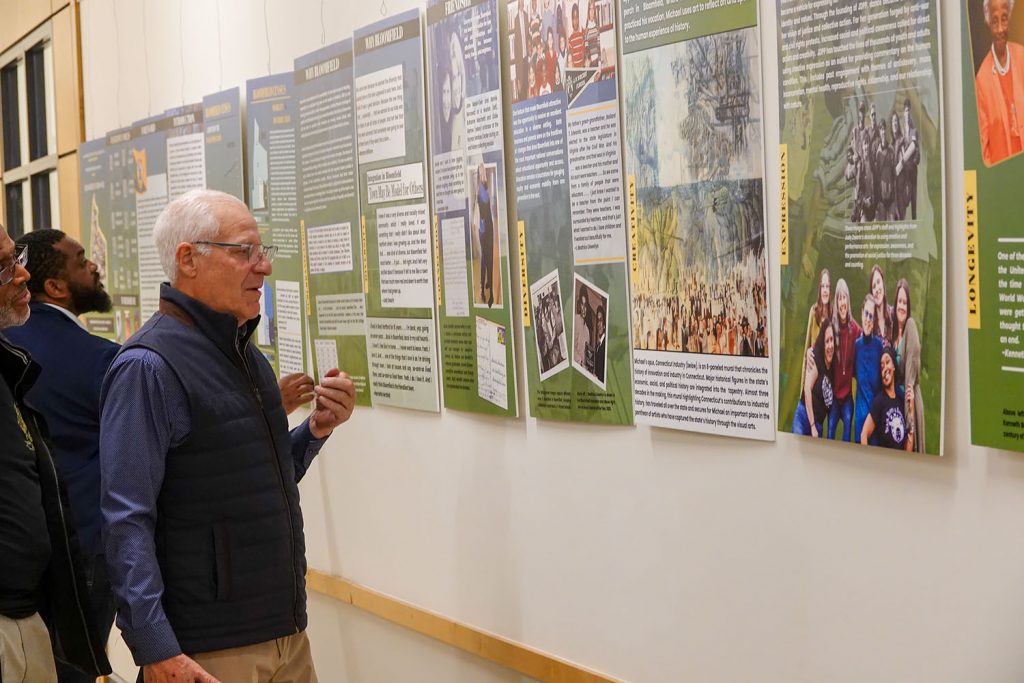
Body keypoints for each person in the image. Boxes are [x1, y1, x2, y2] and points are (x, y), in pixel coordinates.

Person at [100, 190, 356, 682]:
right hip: (207, 650)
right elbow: (125, 519)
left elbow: (257, 476)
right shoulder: (147, 368)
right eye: (246, 251)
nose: (263, 268)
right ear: (188, 259)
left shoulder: (242, 353)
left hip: (283, 632)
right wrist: (155, 648)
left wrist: (316, 430)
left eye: (263, 252)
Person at [2, 229, 119, 683]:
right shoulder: (101, 360)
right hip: (78, 554)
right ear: (57, 287)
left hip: (34, 575)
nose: (93, 266)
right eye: (80, 259)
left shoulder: (13, 351)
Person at [976, 0, 1024, 165]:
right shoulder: (982, 80)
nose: (1000, 29)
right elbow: (983, 150)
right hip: (1003, 177)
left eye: (1004, 19)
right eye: (995, 21)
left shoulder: (1022, 57)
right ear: (988, 22)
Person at [861, 347, 914, 451]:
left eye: (887, 362)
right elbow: (864, 434)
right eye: (882, 366)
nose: (885, 368)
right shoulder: (879, 401)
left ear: (894, 366)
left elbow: (908, 450)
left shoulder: (901, 401)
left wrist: (911, 411)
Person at [828, 278, 860, 442]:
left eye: (844, 298)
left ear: (848, 300)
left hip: (847, 396)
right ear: (836, 302)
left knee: (848, 426)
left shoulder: (855, 329)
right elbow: (819, 345)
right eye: (839, 298)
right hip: (833, 396)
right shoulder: (831, 328)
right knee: (830, 430)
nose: (842, 302)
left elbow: (866, 341)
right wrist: (811, 352)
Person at [793, 323, 836, 438]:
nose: (830, 345)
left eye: (832, 340)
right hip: (804, 417)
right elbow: (807, 388)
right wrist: (812, 426)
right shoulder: (816, 358)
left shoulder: (834, 367)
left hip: (818, 424)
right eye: (827, 341)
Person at [853, 294, 884, 447]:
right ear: (861, 313)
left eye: (871, 316)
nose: (868, 319)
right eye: (866, 314)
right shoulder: (856, 346)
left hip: (875, 422)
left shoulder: (879, 347)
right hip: (859, 422)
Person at [800, 268, 831, 398]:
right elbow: (806, 352)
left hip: (827, 379)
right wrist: (802, 391)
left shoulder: (833, 316)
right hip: (812, 375)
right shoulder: (813, 312)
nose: (824, 290)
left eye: (827, 286)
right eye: (822, 286)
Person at [896, 98, 920, 219]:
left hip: (912, 173)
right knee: (903, 202)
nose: (907, 113)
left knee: (914, 204)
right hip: (903, 173)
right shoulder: (900, 132)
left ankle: (914, 220)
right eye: (906, 111)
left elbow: (918, 156)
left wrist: (912, 162)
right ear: (903, 112)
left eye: (909, 111)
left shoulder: (914, 132)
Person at [476, 163, 495, 306]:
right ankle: (484, 291)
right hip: (484, 230)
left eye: (484, 172)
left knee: (488, 259)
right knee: (485, 260)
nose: (484, 174)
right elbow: (483, 212)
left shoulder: (484, 188)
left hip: (488, 228)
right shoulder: (481, 190)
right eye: (481, 172)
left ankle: (487, 285)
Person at [448, 31, 466, 151]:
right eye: (453, 78)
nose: (456, 85)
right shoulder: (450, 120)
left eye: (458, 75)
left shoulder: (466, 111)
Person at [868, 264, 893, 344]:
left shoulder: (893, 314)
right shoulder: (870, 323)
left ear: (883, 283)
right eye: (874, 286)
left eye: (878, 282)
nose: (877, 289)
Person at [512, 0, 531, 101]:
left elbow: (528, 36)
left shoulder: (526, 16)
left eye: (523, 2)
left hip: (527, 54)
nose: (522, 4)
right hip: (520, 56)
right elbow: (516, 44)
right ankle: (522, 101)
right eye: (520, 2)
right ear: (518, 4)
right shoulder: (515, 20)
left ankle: (527, 100)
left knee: (527, 81)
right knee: (521, 81)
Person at [573, 285, 591, 366]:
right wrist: (580, 361)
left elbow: (586, 354)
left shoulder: (587, 329)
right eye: (582, 304)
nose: (584, 308)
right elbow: (572, 346)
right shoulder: (576, 319)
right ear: (579, 306)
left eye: (585, 305)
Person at [568, 2, 586, 68]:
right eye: (573, 18)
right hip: (575, 71)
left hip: (582, 68)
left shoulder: (581, 36)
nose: (575, 21)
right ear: (571, 20)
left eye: (577, 18)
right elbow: (571, 57)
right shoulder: (570, 39)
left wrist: (582, 66)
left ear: (579, 19)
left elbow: (583, 52)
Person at [593, 303, 606, 382]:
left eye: (600, 320)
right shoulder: (598, 345)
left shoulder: (605, 345)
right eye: (597, 320)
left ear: (604, 324)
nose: (598, 324)